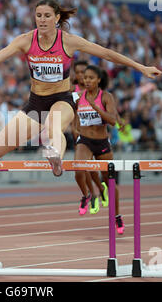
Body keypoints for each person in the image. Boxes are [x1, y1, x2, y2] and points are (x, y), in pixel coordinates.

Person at [0, 0, 162, 177]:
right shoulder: (26, 40)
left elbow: (106, 53)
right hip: (36, 103)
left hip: (61, 100)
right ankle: (51, 151)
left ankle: (55, 156)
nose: (42, 20)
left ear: (56, 18)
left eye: (47, 16)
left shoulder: (68, 41)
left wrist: (140, 67)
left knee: (53, 127)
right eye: (38, 15)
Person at [74, 65, 124, 234]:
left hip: (102, 142)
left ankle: (117, 215)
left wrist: (95, 107)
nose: (86, 81)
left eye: (90, 78)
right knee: (79, 169)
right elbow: (65, 107)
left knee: (110, 181)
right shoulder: (78, 96)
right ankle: (87, 194)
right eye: (85, 78)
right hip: (85, 140)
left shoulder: (106, 97)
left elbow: (112, 120)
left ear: (98, 80)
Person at [71, 60, 109, 211]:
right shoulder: (72, 89)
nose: (81, 76)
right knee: (83, 167)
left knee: (91, 167)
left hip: (95, 134)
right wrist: (74, 128)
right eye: (78, 72)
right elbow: (73, 112)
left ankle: (100, 189)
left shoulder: (97, 91)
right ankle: (92, 194)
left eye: (83, 73)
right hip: (78, 132)